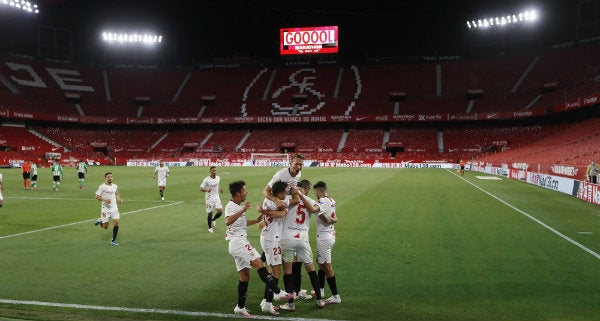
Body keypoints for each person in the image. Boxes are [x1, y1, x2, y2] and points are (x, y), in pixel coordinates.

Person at [225, 180, 294, 318]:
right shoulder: (231, 206)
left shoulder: (237, 205)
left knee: (245, 277)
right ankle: (277, 292)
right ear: (238, 193)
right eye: (245, 190)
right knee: (259, 263)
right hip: (238, 242)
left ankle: (240, 307)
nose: (247, 192)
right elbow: (228, 221)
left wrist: (256, 221)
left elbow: (241, 223)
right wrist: (243, 210)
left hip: (240, 241)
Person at [278, 179, 326, 311]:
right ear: (308, 189)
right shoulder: (311, 201)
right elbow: (315, 210)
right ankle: (320, 301)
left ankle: (291, 304)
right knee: (311, 270)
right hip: (303, 239)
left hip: (287, 238)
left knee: (288, 272)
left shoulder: (288, 199)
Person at [258, 180, 299, 315]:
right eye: (286, 192)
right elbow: (283, 212)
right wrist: (294, 193)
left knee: (272, 271)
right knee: (275, 273)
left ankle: (265, 301)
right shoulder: (278, 202)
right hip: (272, 239)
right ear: (280, 193)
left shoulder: (270, 200)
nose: (287, 194)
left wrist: (264, 212)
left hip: (269, 237)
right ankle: (268, 303)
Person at [313, 181, 341, 305]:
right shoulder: (332, 200)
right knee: (320, 262)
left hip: (324, 237)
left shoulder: (321, 202)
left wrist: (329, 219)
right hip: (330, 235)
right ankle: (321, 289)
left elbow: (324, 218)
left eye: (316, 192)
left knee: (326, 266)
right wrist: (333, 220)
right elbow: (334, 218)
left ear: (319, 191)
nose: (315, 195)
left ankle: (335, 296)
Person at [94, 172, 123, 246]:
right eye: (108, 177)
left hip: (114, 208)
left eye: (111, 177)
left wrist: (119, 199)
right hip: (105, 209)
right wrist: (105, 200)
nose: (110, 178)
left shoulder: (115, 186)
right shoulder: (102, 187)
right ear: (105, 178)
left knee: (116, 222)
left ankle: (113, 240)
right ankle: (101, 220)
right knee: (105, 227)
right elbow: (97, 196)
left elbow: (116, 193)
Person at [200, 166, 223, 233]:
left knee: (220, 212)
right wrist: (207, 189)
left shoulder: (218, 178)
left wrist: (220, 189)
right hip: (209, 198)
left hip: (216, 197)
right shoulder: (206, 180)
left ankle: (213, 219)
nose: (215, 171)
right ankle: (210, 227)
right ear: (210, 171)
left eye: (215, 170)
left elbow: (217, 185)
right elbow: (201, 188)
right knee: (210, 213)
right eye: (213, 170)